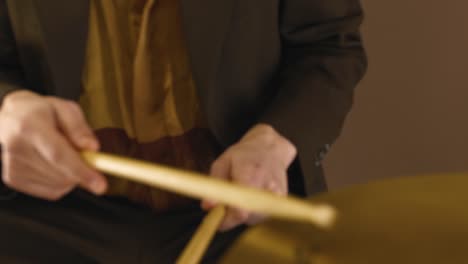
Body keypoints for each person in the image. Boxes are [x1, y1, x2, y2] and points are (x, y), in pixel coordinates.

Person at [0, 0, 366, 262]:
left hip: (231, 213)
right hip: (42, 215)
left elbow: (328, 45)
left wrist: (271, 142)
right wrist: (6, 110)